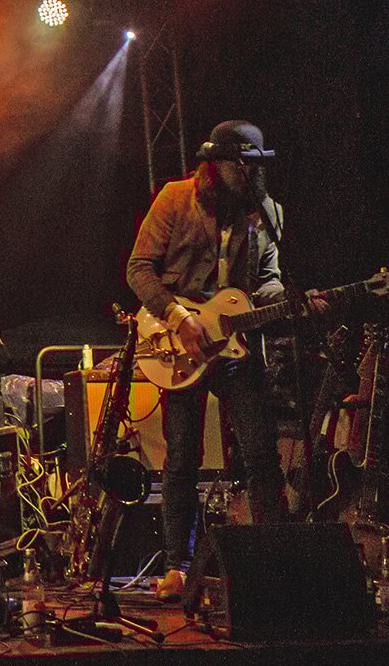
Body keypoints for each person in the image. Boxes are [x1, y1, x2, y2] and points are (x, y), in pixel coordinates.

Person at [127, 120, 324, 601]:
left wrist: (293, 298)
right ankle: (177, 567)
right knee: (183, 459)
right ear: (216, 165)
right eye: (240, 165)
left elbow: (267, 281)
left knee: (260, 452)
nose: (248, 173)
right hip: (181, 342)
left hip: (237, 347)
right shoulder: (176, 198)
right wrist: (176, 317)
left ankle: (275, 557)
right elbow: (138, 268)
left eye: (254, 166)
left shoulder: (267, 212)